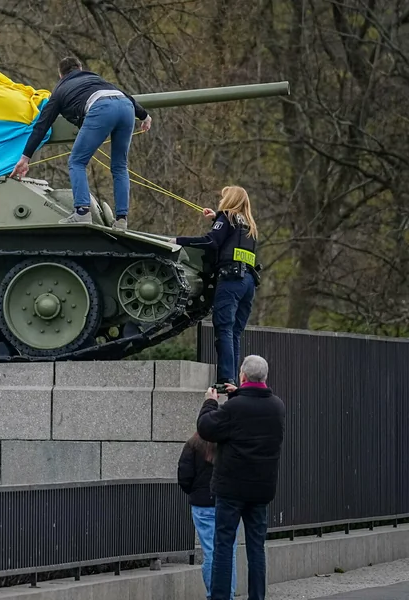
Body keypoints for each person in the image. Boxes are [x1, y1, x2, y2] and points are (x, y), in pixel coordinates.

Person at [10, 56, 152, 230]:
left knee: (76, 162)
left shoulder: (60, 90)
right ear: (80, 68)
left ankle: (82, 212)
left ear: (61, 75)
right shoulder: (95, 78)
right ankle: (122, 220)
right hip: (126, 107)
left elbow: (42, 125)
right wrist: (144, 116)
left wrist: (25, 158)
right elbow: (125, 96)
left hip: (101, 108)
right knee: (120, 166)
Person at [197, 355, 286, 600]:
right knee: (256, 547)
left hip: (231, 489)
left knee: (224, 545)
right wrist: (239, 394)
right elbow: (251, 414)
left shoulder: (233, 408)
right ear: (265, 377)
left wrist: (210, 403)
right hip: (261, 489)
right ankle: (257, 596)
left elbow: (206, 428)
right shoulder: (277, 406)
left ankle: (220, 596)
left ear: (243, 376)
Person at [172, 186, 260, 386]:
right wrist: (216, 219)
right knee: (234, 333)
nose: (221, 201)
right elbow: (231, 238)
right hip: (248, 283)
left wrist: (178, 241)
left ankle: (225, 378)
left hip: (231, 280)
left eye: (223, 198)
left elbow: (211, 241)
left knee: (224, 329)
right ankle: (233, 381)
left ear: (230, 200)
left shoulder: (227, 216)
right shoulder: (249, 224)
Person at [178, 432, 238, 598]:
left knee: (210, 552)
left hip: (202, 504)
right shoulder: (229, 442)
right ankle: (228, 595)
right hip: (227, 503)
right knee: (229, 552)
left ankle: (214, 595)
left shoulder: (192, 444)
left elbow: (184, 476)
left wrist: (195, 492)